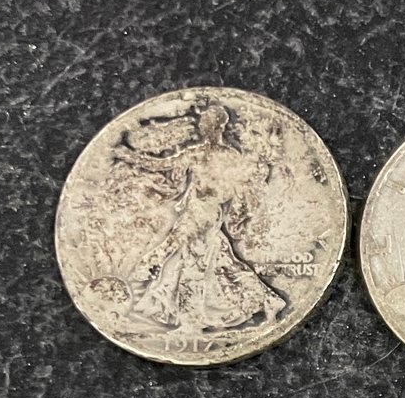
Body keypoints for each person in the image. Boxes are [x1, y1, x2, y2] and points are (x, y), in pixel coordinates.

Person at [119, 102, 286, 333]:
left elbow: (236, 190)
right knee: (222, 261)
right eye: (204, 123)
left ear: (219, 126)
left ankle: (189, 320)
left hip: (203, 214)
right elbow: (163, 165)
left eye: (208, 123)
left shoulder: (225, 156)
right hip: (200, 212)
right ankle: (268, 300)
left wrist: (233, 212)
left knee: (190, 259)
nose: (204, 127)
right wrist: (130, 157)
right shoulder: (201, 153)